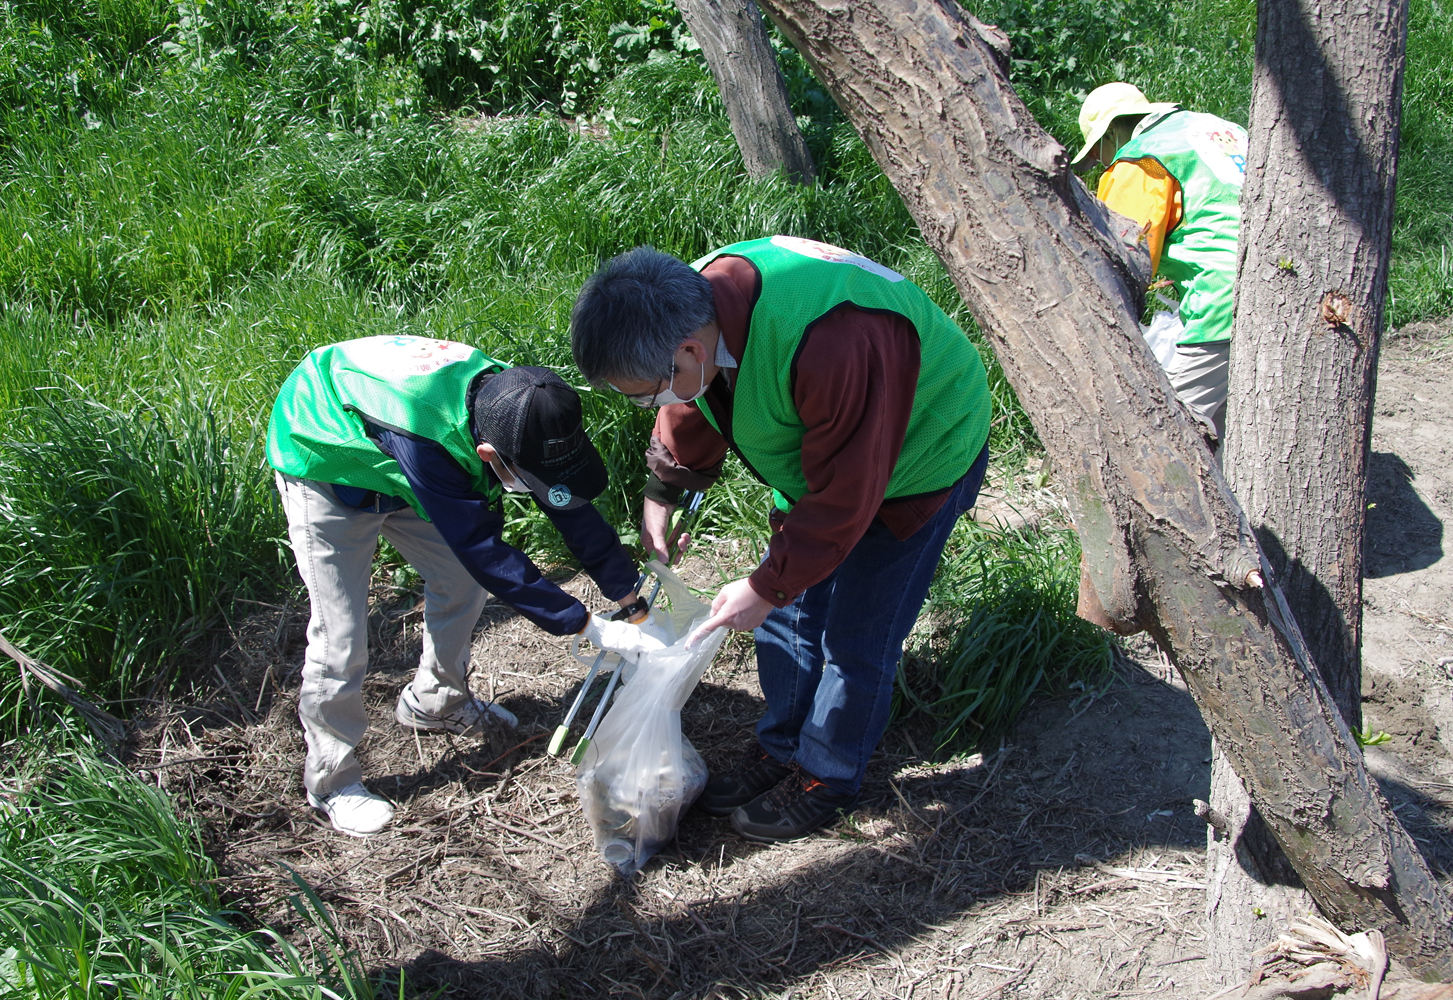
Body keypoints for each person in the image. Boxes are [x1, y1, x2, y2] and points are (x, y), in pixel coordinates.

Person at [570, 237, 992, 843]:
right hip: (822, 461)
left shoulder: (837, 336)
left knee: (858, 637)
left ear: (689, 350)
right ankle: (783, 746)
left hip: (917, 459)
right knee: (787, 617)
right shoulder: (691, 309)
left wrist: (768, 583)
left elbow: (850, 492)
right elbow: (691, 404)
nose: (645, 404)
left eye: (642, 392)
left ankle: (827, 774)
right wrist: (663, 493)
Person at [266, 335, 653, 837]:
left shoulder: (523, 402)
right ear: (488, 452)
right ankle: (331, 780)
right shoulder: (429, 436)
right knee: (341, 636)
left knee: (460, 584)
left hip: (397, 454)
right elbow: (482, 549)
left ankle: (435, 702)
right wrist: (583, 624)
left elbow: (567, 504)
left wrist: (629, 599)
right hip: (327, 458)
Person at [1072, 81, 1247, 442]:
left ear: (1112, 133)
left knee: (1171, 438)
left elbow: (1123, 259)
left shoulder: (1141, 157)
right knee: (1236, 435)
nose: (1101, 164)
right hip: (1278, 290)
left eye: (1098, 155)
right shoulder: (1219, 129)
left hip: (1220, 301)